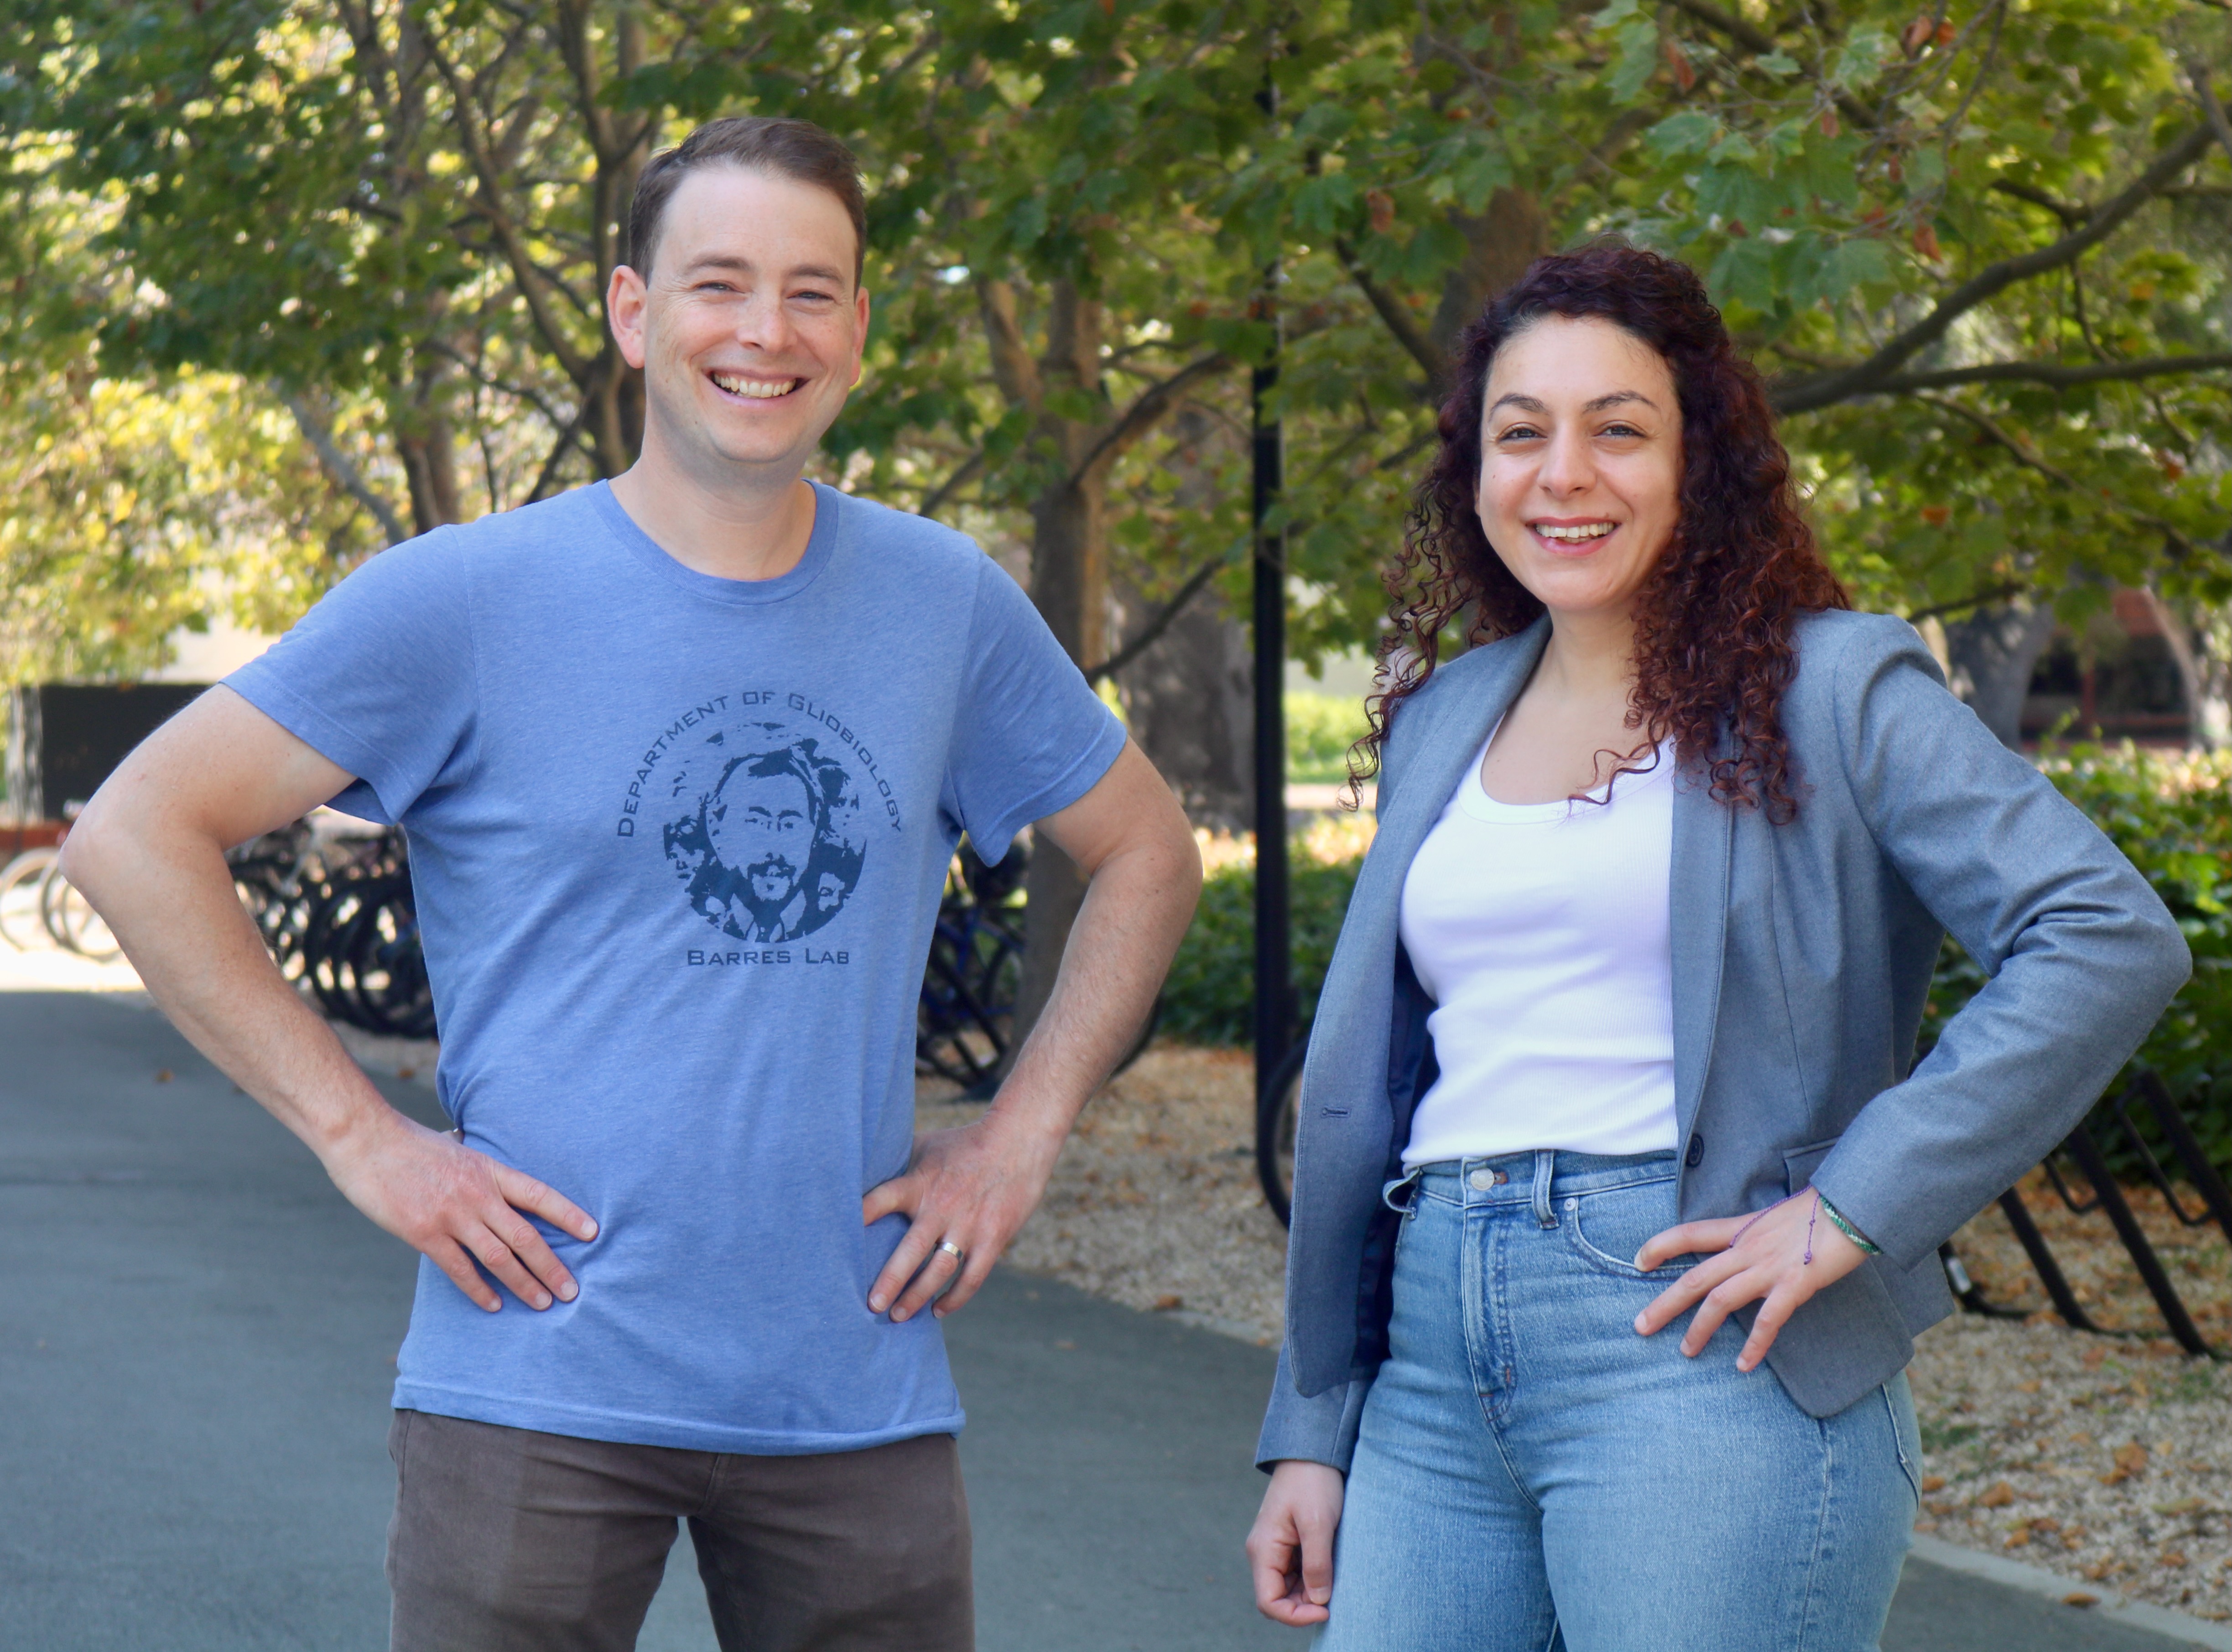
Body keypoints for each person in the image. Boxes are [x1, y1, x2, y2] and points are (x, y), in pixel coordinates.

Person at [63, 114, 1201, 1652]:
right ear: (631, 311)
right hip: (534, 1381)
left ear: (858, 327)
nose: (764, 330)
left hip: (853, 1381)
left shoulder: (946, 605)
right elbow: (135, 833)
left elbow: (1147, 851)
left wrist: (1023, 1134)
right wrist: (364, 1140)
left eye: (813, 290)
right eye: (719, 282)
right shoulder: (469, 596)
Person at [1243, 243, 2189, 1651]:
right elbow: (1385, 1081)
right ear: (1475, 472)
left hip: (1702, 1353)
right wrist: (1314, 1427)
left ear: (1704, 461)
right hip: (1429, 1367)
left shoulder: (1834, 687)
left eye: (1618, 429)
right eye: (1523, 433)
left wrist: (1856, 1203)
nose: (1564, 472)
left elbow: (2104, 933)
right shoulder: (1446, 715)